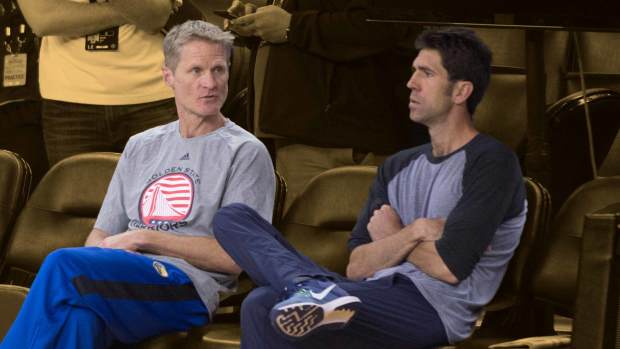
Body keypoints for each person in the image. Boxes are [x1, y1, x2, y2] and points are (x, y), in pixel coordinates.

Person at [212, 27, 527, 348]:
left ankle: (313, 292)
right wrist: (414, 233)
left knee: (263, 301)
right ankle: (309, 287)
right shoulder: (398, 166)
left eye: (427, 73)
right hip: (367, 291)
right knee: (232, 218)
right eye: (414, 70)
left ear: (460, 92)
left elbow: (447, 268)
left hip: (432, 309)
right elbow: (359, 265)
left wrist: (396, 235)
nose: (411, 82)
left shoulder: (492, 165)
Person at [0, 20, 275, 348]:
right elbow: (100, 236)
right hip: (124, 279)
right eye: (196, 70)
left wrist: (143, 237)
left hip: (186, 288)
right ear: (168, 76)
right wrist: (102, 262)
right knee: (79, 316)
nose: (210, 83)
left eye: (219, 70)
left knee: (62, 263)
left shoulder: (244, 151)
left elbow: (234, 258)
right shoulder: (142, 145)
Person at [225, 0, 429, 212]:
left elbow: (382, 23)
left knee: (352, 239)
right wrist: (260, 23)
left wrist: (292, 26)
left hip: (343, 142)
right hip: (297, 137)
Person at [16, 0, 188, 166]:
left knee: (164, 193)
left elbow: (153, 15)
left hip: (153, 95)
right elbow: (44, 19)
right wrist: (129, 13)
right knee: (82, 194)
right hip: (69, 103)